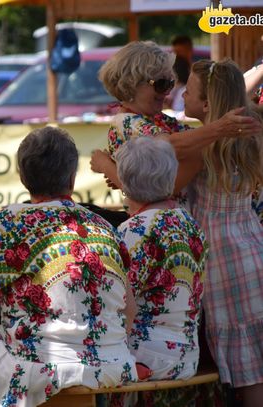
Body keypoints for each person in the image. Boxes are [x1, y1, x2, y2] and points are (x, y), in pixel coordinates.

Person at [0, 126, 138, 406]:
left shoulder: (11, 221)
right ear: (72, 178)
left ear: (23, 177)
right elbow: (130, 311)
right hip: (115, 365)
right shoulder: (103, 225)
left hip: (43, 365)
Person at [181, 59, 263, 407]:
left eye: (189, 89)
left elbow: (155, 166)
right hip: (252, 246)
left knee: (250, 378)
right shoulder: (252, 134)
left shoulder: (202, 148)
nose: (182, 93)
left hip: (222, 263)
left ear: (207, 104)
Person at [90, 41, 260, 195]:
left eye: (170, 83)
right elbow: (168, 147)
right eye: (161, 84)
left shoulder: (155, 118)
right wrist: (220, 127)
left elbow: (193, 142)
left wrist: (110, 169)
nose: (168, 92)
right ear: (131, 84)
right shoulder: (127, 123)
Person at [116, 137, 208, 382]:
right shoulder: (190, 223)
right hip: (188, 355)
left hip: (146, 357)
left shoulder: (134, 230)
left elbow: (121, 304)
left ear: (125, 181)